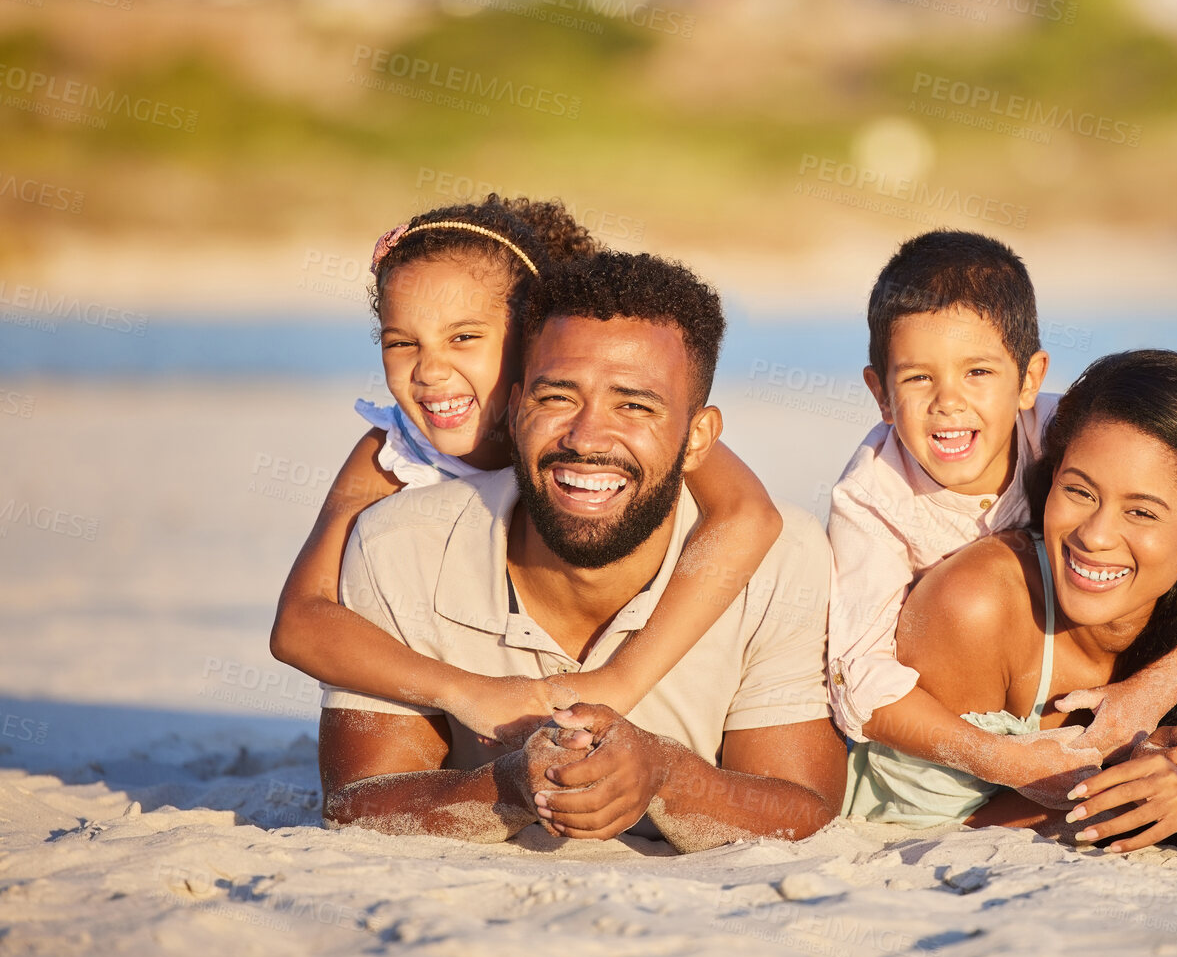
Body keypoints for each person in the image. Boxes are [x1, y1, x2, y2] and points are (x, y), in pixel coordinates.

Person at [317, 250, 845, 849]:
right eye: (557, 398)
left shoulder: (783, 561)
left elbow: (806, 809)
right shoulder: (398, 546)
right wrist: (510, 786)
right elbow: (356, 804)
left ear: (698, 437)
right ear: (516, 412)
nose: (587, 437)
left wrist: (664, 777)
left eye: (634, 405)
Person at [271, 197, 783, 746]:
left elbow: (749, 515)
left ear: (530, 342)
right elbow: (301, 622)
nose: (430, 370)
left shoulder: (617, 435)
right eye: (402, 343)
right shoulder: (396, 451)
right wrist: (463, 692)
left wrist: (621, 681)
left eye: (464, 337)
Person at [827, 231, 1177, 803]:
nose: (948, 401)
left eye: (978, 373)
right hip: (944, 716)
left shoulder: (1064, 431)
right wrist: (1008, 762)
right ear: (881, 394)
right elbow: (859, 679)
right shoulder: (870, 500)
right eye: (918, 377)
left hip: (1056, 668)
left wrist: (1152, 690)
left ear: (1030, 380)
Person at [847, 350, 1177, 851]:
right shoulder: (977, 604)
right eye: (1079, 492)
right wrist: (1118, 788)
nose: (1095, 535)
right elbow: (916, 822)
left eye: (1141, 513)